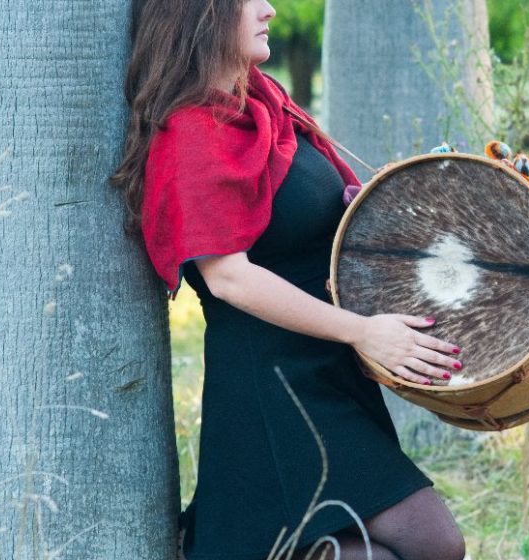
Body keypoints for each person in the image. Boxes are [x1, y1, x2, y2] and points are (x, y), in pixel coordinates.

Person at [110, 1, 466, 558]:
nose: (270, 10)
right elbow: (229, 277)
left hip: (325, 369)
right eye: (249, 0)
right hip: (270, 384)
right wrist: (362, 331)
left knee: (419, 544)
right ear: (200, 15)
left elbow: (309, 214)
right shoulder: (194, 131)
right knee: (427, 543)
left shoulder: (263, 106)